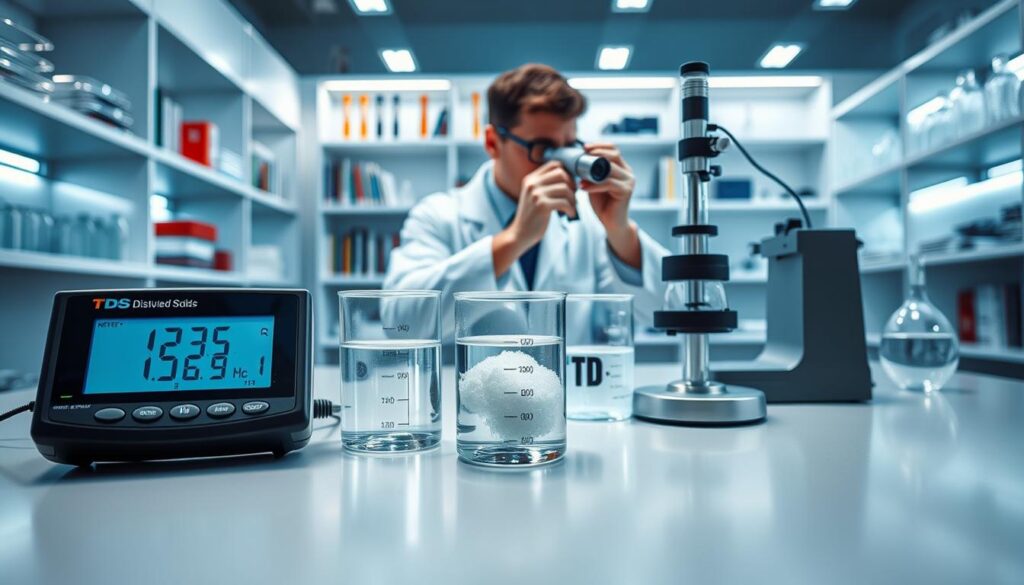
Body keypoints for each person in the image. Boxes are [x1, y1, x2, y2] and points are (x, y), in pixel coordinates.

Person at [385, 63, 669, 337]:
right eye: (543, 148)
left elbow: (673, 310)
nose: (561, 165)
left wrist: (619, 229)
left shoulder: (587, 221)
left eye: (570, 147)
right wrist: (514, 239)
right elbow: (400, 323)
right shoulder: (438, 215)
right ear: (493, 142)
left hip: (563, 387)